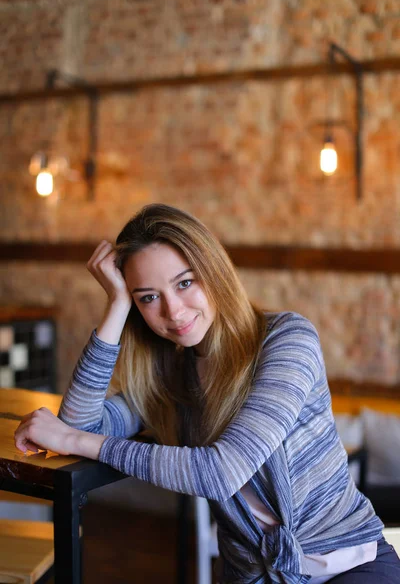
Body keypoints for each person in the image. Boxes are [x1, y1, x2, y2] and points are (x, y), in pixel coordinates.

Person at [14, 204, 400, 583]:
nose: (174, 310)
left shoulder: (287, 340)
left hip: (352, 568)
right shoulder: (171, 379)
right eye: (148, 297)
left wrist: (75, 440)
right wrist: (116, 307)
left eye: (185, 283)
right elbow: (79, 423)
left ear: (213, 271)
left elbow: (221, 472)